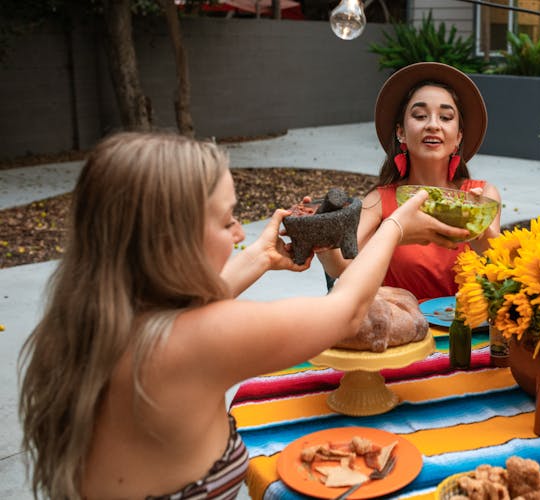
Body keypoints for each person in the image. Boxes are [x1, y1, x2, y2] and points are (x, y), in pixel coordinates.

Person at [17, 131, 468, 500]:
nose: (239, 231)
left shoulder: (103, 319)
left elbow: (191, 309)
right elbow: (346, 313)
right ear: (168, 239)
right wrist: (395, 225)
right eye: (226, 220)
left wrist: (258, 256)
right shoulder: (195, 341)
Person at [317, 62, 502, 300]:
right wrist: (322, 240)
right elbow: (343, 265)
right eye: (420, 115)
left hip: (467, 331)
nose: (433, 125)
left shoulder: (482, 194)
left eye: (445, 117)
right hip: (400, 328)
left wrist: (477, 226)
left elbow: (499, 261)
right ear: (401, 132)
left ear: (458, 137)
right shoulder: (380, 200)